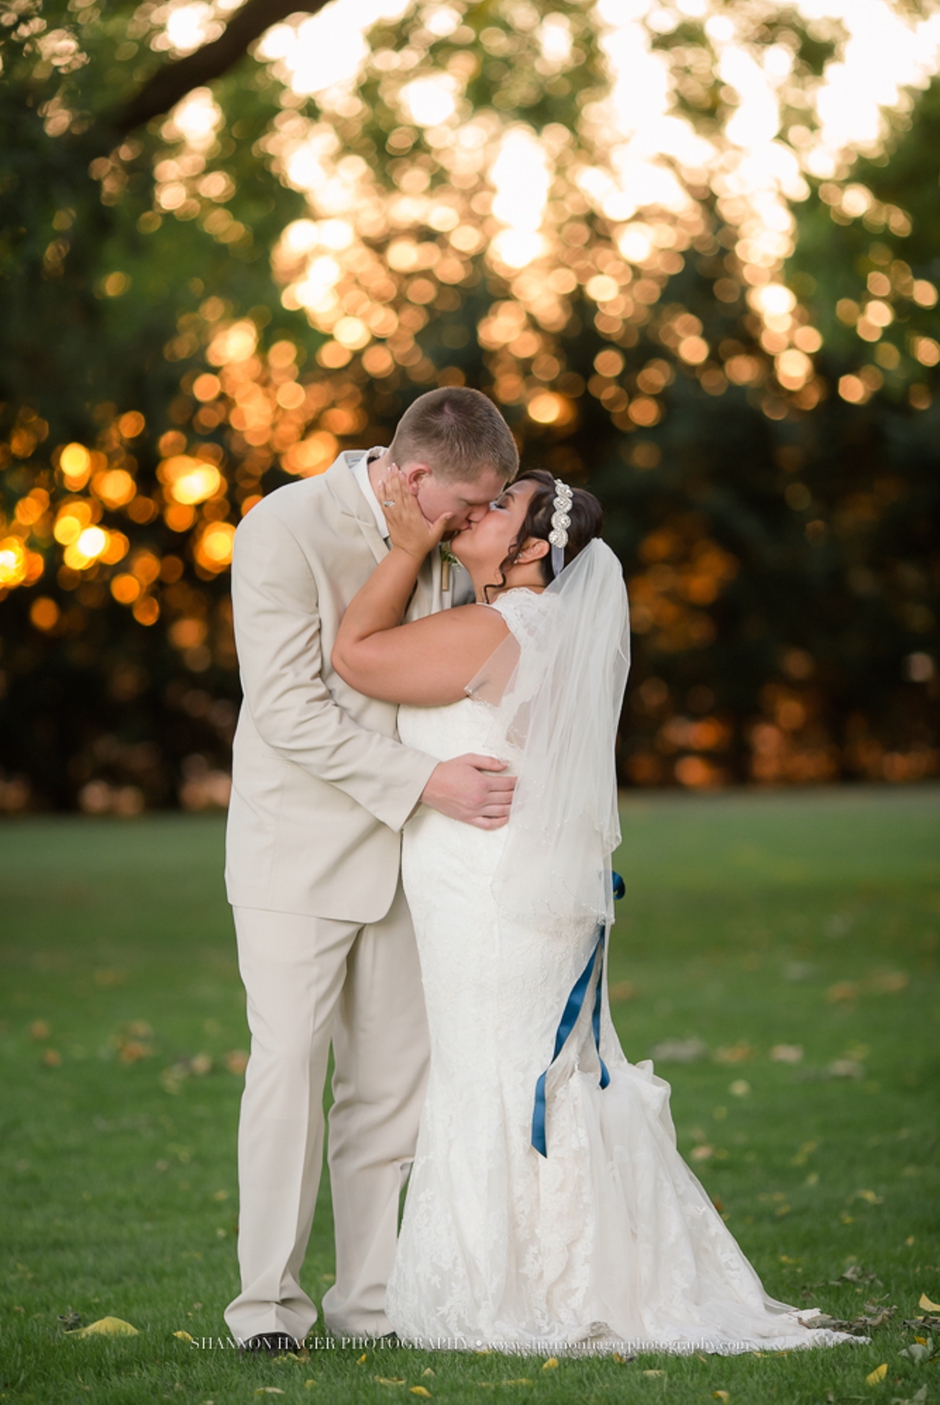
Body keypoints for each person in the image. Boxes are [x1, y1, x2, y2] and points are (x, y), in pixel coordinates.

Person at [331, 466, 858, 1354]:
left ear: (535, 546)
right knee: (529, 1070)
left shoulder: (497, 627)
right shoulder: (544, 631)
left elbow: (355, 654)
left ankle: (529, 1287)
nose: (480, 509)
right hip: (504, 884)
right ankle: (573, 1270)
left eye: (502, 506)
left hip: (492, 891)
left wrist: (411, 543)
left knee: (500, 1073)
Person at [223, 387, 521, 1354]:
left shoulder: (442, 541)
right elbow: (288, 709)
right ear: (416, 476)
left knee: (389, 1092)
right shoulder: (282, 526)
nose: (475, 525)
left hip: (418, 860)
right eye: (466, 507)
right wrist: (424, 779)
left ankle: (370, 1306)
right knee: (287, 1073)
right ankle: (265, 1310)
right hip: (295, 855)